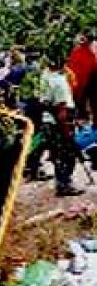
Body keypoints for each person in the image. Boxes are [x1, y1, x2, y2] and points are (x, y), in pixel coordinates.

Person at [41, 58, 84, 197]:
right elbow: (62, 110)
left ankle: (61, 183)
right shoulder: (59, 81)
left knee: (57, 154)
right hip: (60, 122)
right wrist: (67, 131)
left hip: (48, 120)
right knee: (67, 154)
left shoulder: (44, 76)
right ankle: (65, 184)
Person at [67, 32, 97, 118]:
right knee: (82, 104)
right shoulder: (77, 51)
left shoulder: (91, 49)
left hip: (90, 79)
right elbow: (72, 67)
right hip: (81, 82)